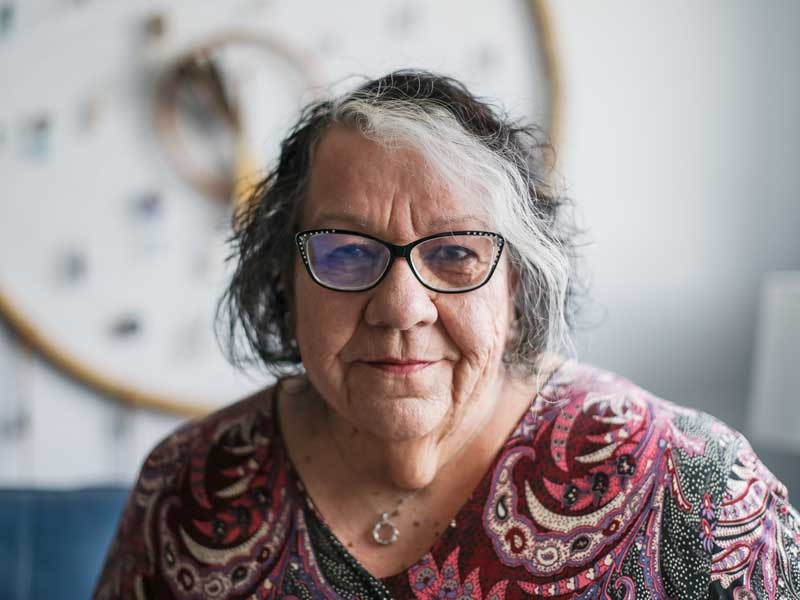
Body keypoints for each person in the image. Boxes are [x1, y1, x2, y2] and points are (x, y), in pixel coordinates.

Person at [94, 70, 799, 599]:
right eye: (347, 252)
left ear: (516, 284)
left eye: (456, 252)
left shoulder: (689, 482)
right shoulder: (187, 486)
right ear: (285, 279)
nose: (401, 308)